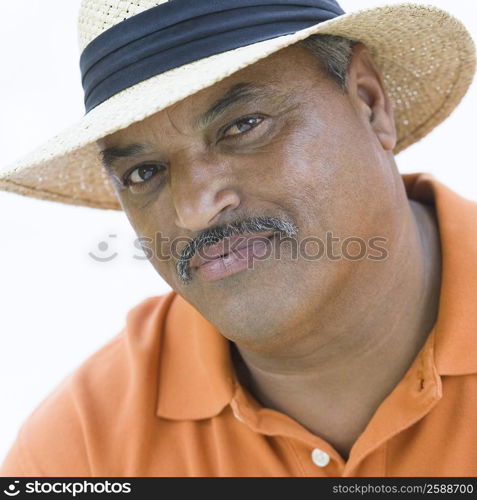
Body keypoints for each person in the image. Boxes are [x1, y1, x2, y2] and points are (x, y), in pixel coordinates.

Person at [0, 0, 476, 477]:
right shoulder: (84, 453)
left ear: (370, 102)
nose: (194, 210)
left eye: (242, 126)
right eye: (144, 172)